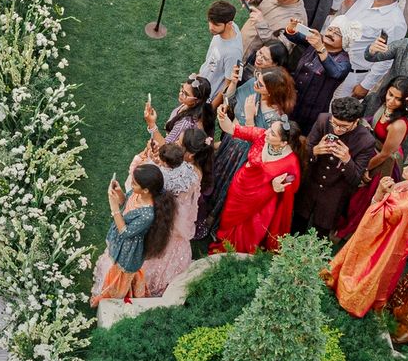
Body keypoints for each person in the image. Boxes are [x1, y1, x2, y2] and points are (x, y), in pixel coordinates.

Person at [325, 162, 408, 316]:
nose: (405, 168)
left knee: (364, 272)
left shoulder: (407, 204)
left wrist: (379, 194)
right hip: (381, 242)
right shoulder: (406, 185)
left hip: (380, 245)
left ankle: (350, 300)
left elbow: (380, 215)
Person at [212, 110, 304, 251]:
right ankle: (223, 241)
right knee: (228, 220)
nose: (267, 133)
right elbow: (231, 129)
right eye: (270, 129)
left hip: (262, 202)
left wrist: (278, 186)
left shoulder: (291, 163)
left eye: (273, 133)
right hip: (240, 188)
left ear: (284, 143)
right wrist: (222, 118)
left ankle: (238, 253)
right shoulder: (261, 135)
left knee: (251, 230)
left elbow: (292, 188)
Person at [319, 0, 408, 98]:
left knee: (332, 110)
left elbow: (385, 60)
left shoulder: (395, 23)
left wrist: (365, 85)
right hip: (329, 58)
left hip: (352, 75)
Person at [337, 78, 408, 237]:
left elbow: (385, 154)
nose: (391, 100)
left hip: (382, 163)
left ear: (405, 101)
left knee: (363, 199)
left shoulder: (398, 124)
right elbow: (374, 123)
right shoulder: (386, 107)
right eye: (390, 94)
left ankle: (351, 233)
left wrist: (364, 168)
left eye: (397, 98)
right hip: (371, 150)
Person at [292, 95, 377, 236]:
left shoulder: (366, 141)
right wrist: (314, 151)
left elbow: (355, 179)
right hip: (311, 184)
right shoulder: (323, 120)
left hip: (334, 194)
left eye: (343, 127)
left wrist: (347, 160)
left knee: (321, 234)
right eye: (335, 124)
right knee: (297, 224)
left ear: (356, 122)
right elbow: (306, 151)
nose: (337, 129)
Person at [91, 164, 175, 304]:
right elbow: (126, 202)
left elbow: (125, 232)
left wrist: (114, 207)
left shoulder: (147, 215)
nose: (131, 184)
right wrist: (119, 194)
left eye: (134, 183)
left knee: (120, 275)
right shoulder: (137, 193)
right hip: (121, 239)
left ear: (146, 190)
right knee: (115, 267)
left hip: (128, 250)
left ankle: (114, 294)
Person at [141, 137, 203, 296]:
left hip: (165, 213)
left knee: (160, 238)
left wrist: (149, 156)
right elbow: (192, 195)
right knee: (176, 242)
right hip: (181, 214)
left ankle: (153, 276)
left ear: (165, 162)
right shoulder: (192, 171)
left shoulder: (160, 176)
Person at [286, 15, 358, 132]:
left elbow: (336, 72)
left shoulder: (344, 61)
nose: (330, 34)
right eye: (330, 29)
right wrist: (292, 27)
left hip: (310, 113)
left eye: (337, 33)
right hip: (291, 101)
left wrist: (320, 47)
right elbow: (293, 36)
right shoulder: (315, 44)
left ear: (345, 40)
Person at [236, 0, 309, 59]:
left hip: (252, 60)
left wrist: (261, 24)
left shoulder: (297, 21)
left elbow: (280, 50)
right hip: (239, 43)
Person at [198, 0, 243, 103]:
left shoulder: (233, 53)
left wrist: (211, 108)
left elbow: (227, 85)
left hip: (208, 95)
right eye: (210, 22)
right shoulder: (231, 26)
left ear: (229, 24)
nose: (211, 27)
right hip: (202, 80)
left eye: (216, 25)